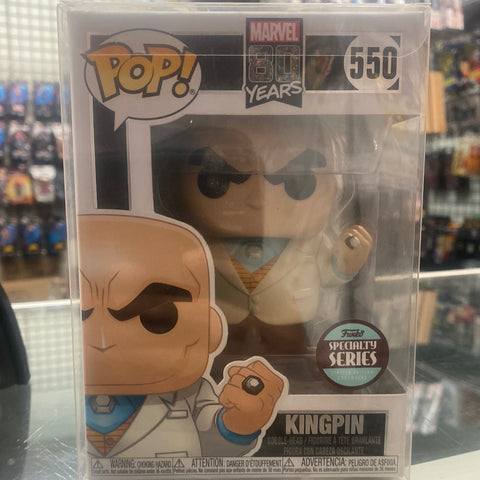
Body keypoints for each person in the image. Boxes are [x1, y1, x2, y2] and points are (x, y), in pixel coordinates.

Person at [154, 116, 372, 357]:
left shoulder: (312, 244)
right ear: (174, 186)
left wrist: (346, 264)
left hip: (290, 323)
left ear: (333, 188)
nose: (258, 199)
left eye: (296, 181)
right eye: (218, 178)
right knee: (216, 352)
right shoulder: (199, 245)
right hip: (218, 325)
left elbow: (330, 275)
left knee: (290, 355)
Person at [78, 213, 285, 459]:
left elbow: (215, 440)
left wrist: (241, 421)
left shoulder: (190, 392)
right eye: (81, 314)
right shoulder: (68, 394)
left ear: (211, 329)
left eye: (156, 317)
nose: (103, 341)